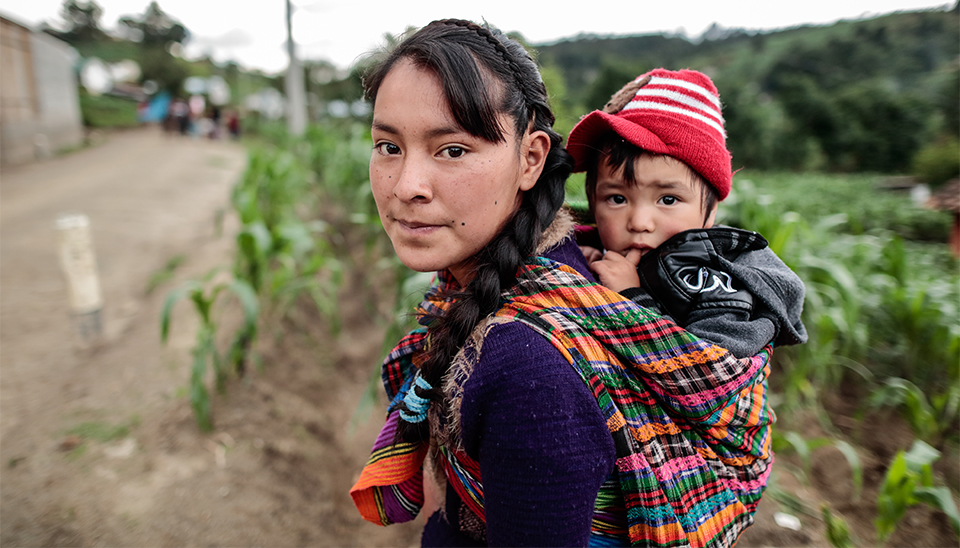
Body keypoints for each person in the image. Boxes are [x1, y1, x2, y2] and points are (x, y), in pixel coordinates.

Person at [351, 20, 779, 547]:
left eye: (452, 150)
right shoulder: (549, 269)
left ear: (531, 158)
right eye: (387, 146)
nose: (407, 186)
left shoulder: (529, 369)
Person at [567, 68, 807, 359]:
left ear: (710, 212)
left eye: (668, 199)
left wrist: (632, 298)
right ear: (593, 203)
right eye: (617, 198)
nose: (640, 222)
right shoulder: (575, 251)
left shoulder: (719, 281)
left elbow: (706, 367)